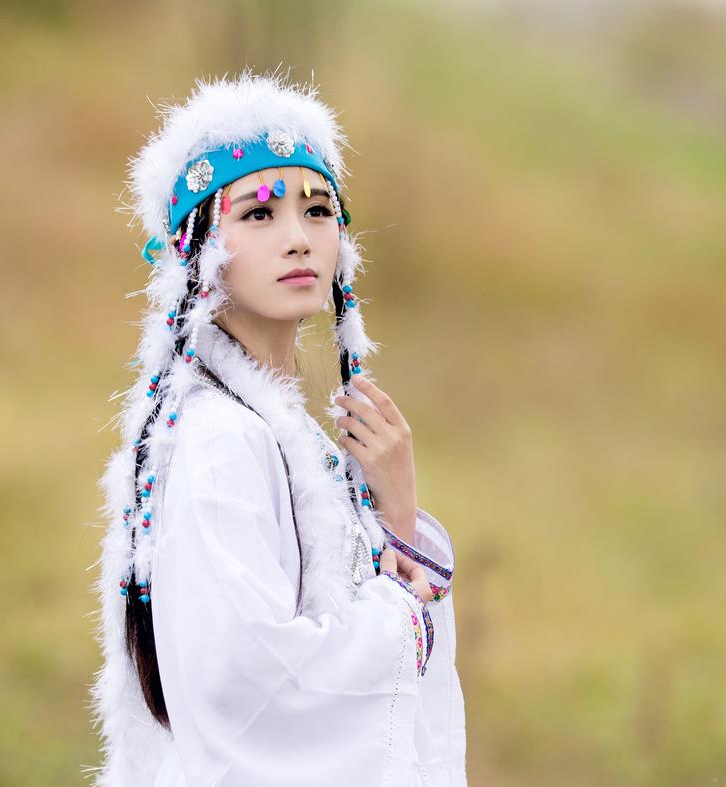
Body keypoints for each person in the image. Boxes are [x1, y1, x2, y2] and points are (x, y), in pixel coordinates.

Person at [87, 70, 467, 786]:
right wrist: (404, 611)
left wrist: (396, 514)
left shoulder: (280, 433)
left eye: (318, 210)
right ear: (200, 248)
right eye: (259, 214)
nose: (299, 239)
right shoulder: (220, 439)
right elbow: (254, 680)